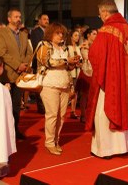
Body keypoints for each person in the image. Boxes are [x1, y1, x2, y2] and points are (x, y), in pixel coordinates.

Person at [86, 0, 128, 159]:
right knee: (123, 108)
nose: (100, 17)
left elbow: (95, 55)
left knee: (102, 114)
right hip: (125, 81)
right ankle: (123, 147)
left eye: (100, 14)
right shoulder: (127, 29)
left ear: (105, 12)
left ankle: (106, 150)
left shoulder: (106, 30)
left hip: (110, 80)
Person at [36, 22, 79, 155]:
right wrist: (67, 61)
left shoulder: (64, 48)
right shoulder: (43, 45)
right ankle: (49, 142)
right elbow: (47, 62)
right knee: (52, 115)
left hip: (64, 84)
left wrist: (73, 64)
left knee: (62, 116)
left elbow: (66, 68)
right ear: (51, 33)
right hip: (49, 84)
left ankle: (56, 140)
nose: (60, 36)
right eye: (57, 33)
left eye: (62, 33)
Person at [0, 9, 33, 140]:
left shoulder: (23, 34)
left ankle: (14, 131)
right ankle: (3, 133)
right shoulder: (2, 33)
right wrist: (18, 65)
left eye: (20, 17)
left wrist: (24, 64)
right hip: (6, 75)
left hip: (19, 77)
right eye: (16, 17)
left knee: (16, 106)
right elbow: (1, 53)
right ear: (9, 19)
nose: (19, 19)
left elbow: (30, 52)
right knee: (4, 106)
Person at [76, 28, 97, 123]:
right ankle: (83, 114)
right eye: (94, 33)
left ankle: (91, 114)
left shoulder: (96, 44)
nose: (96, 35)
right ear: (88, 35)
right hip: (86, 71)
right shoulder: (85, 44)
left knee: (93, 95)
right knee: (84, 94)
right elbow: (87, 57)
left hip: (95, 71)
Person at [30, 13, 49, 114]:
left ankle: (46, 105)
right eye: (44, 19)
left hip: (48, 61)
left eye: (47, 19)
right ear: (39, 21)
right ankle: (41, 106)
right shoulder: (35, 32)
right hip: (39, 60)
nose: (46, 21)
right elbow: (37, 45)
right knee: (39, 83)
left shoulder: (49, 31)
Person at [66, 29, 82, 119]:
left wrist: (79, 63)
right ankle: (64, 109)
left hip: (77, 71)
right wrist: (73, 62)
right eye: (75, 35)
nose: (77, 37)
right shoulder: (67, 47)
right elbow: (66, 60)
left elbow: (81, 59)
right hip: (70, 72)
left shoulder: (78, 47)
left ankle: (73, 111)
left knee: (75, 92)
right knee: (70, 92)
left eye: (78, 35)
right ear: (71, 37)